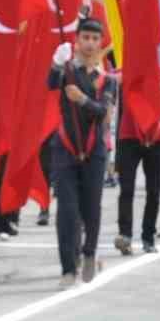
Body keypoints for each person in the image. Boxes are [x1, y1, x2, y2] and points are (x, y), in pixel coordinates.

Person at [48, 19, 117, 287]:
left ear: (100, 43)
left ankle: (89, 252)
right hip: (65, 148)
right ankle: (67, 267)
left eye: (94, 39)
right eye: (85, 38)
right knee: (66, 210)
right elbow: (50, 83)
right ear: (77, 41)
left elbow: (105, 113)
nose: (89, 43)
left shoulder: (106, 80)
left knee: (91, 207)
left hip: (94, 150)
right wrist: (56, 63)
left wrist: (83, 100)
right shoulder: (67, 71)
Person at [114, 66, 160, 256]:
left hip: (155, 136)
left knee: (154, 190)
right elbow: (106, 80)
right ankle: (125, 235)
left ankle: (148, 237)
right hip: (129, 136)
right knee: (126, 189)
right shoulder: (125, 70)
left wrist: (154, 84)